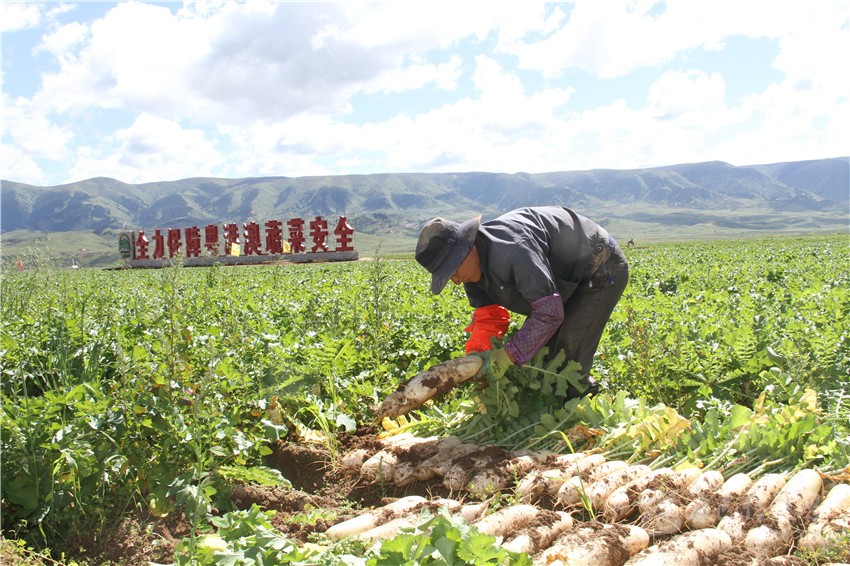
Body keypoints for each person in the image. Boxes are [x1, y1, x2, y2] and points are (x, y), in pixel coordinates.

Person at [415, 206, 629, 399]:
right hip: (562, 282)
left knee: (567, 363)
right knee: (541, 361)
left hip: (599, 267)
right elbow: (489, 318)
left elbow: (549, 313)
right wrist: (476, 358)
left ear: (466, 249)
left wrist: (507, 356)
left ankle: (580, 413)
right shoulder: (473, 273)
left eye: (452, 271)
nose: (455, 280)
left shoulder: (514, 251)